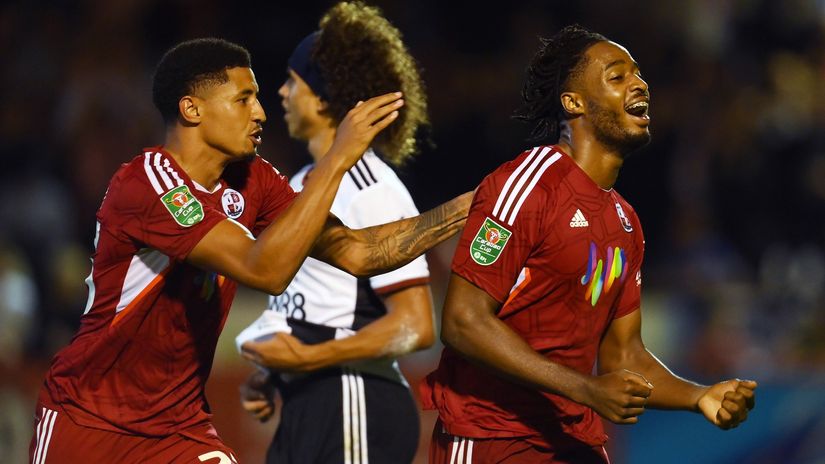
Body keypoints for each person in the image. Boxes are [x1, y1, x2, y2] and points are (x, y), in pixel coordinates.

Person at [28, 38, 471, 463]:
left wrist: (473, 204)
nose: (260, 112)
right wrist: (337, 159)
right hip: (89, 420)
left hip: (178, 428)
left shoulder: (254, 180)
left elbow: (359, 252)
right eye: (243, 99)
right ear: (192, 108)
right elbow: (265, 271)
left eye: (257, 98)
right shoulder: (147, 184)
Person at [420, 25, 757, 463]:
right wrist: (584, 387)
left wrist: (699, 396)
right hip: (493, 436)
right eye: (617, 76)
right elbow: (463, 321)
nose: (639, 84)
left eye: (639, 74)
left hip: (572, 438)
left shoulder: (626, 223)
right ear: (573, 102)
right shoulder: (527, 185)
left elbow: (623, 354)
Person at [235, 3, 434, 463]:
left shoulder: (368, 185)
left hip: (355, 399)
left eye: (292, 82)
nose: (281, 93)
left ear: (324, 98)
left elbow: (416, 324)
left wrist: (308, 360)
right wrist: (275, 375)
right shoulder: (299, 185)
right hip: (310, 404)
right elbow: (312, 304)